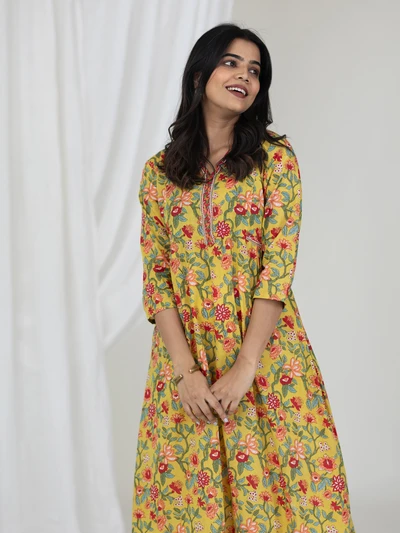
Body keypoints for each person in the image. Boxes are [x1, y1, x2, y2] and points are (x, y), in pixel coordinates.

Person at [132, 23, 356, 533]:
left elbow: (277, 270)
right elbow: (156, 279)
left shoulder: (275, 160)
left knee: (293, 497)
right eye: (231, 63)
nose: (245, 76)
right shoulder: (158, 174)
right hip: (186, 362)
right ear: (199, 75)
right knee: (191, 502)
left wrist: (246, 366)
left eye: (255, 70)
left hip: (266, 355)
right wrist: (187, 374)